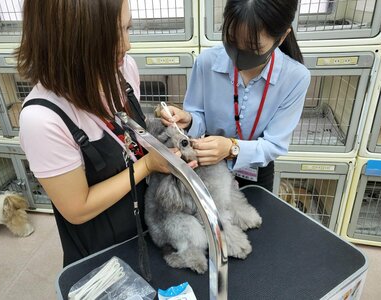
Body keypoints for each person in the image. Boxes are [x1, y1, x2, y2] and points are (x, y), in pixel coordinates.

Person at [17, 0, 193, 267]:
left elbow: (125, 136)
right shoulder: (42, 120)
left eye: (128, 28)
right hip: (101, 251)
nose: (127, 45)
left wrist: (160, 125)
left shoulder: (123, 69)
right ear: (71, 41)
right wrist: (147, 165)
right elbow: (78, 208)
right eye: (113, 35)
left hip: (147, 225)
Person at [161, 0, 311, 191]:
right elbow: (198, 117)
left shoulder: (295, 77)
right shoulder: (207, 62)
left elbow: (274, 144)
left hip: (255, 169)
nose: (238, 55)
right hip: (206, 162)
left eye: (253, 47)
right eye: (231, 40)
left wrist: (232, 148)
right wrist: (189, 120)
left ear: (281, 38)